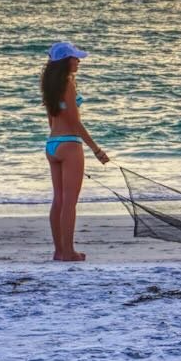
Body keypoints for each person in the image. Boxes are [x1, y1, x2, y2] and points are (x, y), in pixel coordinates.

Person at [40, 41, 110, 261]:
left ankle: (59, 251)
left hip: (52, 145)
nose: (78, 61)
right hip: (70, 144)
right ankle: (68, 251)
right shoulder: (68, 84)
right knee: (69, 201)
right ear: (65, 61)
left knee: (59, 199)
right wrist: (96, 150)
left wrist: (59, 141)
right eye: (75, 58)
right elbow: (75, 122)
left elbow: (52, 121)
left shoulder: (50, 84)